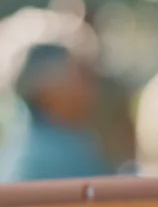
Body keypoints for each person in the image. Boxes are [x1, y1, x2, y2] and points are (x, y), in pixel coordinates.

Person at [2, 43, 113, 181]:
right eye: (78, 77)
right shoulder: (42, 155)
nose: (89, 89)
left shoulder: (71, 139)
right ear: (47, 90)